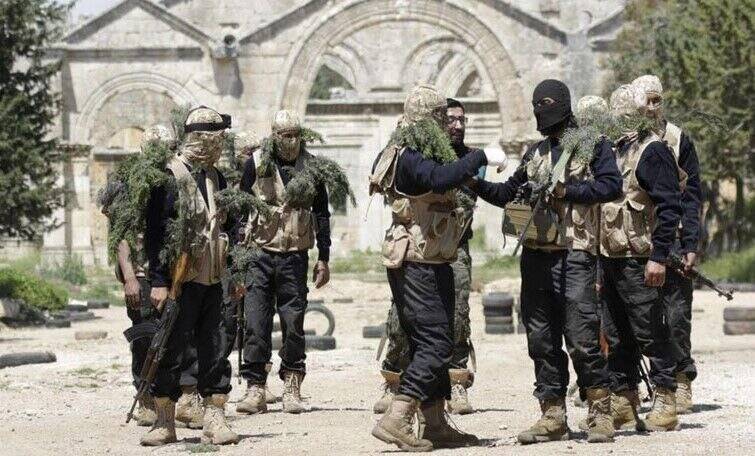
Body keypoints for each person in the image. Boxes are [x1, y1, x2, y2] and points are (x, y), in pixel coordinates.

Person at [469, 79, 621, 444]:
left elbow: (611, 186)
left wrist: (567, 191)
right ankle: (552, 415)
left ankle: (600, 413)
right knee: (541, 338)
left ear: (564, 106)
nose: (541, 111)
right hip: (536, 256)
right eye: (536, 105)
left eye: (547, 104)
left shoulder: (593, 145)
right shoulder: (535, 153)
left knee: (582, 338)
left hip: (575, 254)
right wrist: (473, 183)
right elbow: (507, 194)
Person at [369, 84, 507, 452]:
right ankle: (397, 417)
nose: (448, 125)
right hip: (418, 263)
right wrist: (482, 155)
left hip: (434, 259)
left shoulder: (416, 152)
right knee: (435, 342)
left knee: (431, 342)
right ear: (431, 119)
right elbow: (440, 179)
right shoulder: (409, 155)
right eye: (442, 118)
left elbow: (459, 178)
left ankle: (434, 423)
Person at [143, 106, 239, 446]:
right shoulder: (169, 176)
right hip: (179, 281)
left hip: (212, 279)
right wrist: (158, 281)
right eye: (214, 140)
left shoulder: (217, 178)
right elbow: (155, 232)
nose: (218, 146)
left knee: (216, 348)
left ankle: (214, 418)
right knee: (170, 348)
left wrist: (235, 273)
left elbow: (231, 227)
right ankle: (164, 420)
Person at [598, 84, 684, 432]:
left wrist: (659, 257)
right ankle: (624, 398)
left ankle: (666, 399)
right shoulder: (613, 150)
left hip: (640, 258)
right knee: (616, 333)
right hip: (611, 257)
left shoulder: (653, 151)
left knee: (651, 331)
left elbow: (670, 206)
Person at [236, 110, 333, 414]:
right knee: (256, 323)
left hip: (294, 257)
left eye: (295, 135)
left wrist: (324, 257)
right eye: (285, 136)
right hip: (260, 255)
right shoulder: (256, 164)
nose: (291, 141)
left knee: (293, 324)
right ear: (274, 136)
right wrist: (238, 258)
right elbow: (241, 208)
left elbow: (322, 213)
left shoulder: (311, 167)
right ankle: (255, 387)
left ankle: (292, 384)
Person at [632, 74, 702, 414]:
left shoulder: (677, 139)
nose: (650, 108)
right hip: (635, 241)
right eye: (644, 101)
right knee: (639, 318)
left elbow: (692, 195)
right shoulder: (627, 142)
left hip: (672, 240)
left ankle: (681, 379)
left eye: (656, 100)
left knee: (676, 315)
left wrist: (691, 243)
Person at [114, 125, 175, 428]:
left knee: (175, 338)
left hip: (173, 273)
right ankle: (146, 399)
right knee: (144, 338)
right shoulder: (129, 184)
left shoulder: (177, 180)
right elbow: (120, 235)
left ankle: (175, 400)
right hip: (141, 273)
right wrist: (129, 277)